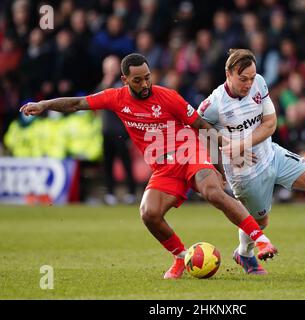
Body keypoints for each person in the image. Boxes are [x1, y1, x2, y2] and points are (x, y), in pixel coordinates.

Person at [20, 53, 278, 279]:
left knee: (213, 192)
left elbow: (202, 126)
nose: (145, 84)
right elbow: (78, 103)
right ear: (124, 80)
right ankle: (179, 257)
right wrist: (44, 105)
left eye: (147, 77)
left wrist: (227, 155)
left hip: (190, 153)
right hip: (164, 168)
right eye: (138, 80)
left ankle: (261, 240)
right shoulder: (115, 98)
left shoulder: (168, 97)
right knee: (148, 213)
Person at [198, 49, 305, 276]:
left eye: (251, 77)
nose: (249, 83)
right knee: (260, 222)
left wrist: (242, 145)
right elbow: (200, 133)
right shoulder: (213, 104)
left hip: (273, 154)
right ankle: (244, 254)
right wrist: (222, 160)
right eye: (243, 79)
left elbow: (270, 124)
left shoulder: (259, 83)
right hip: (244, 173)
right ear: (228, 73)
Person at [96, 55, 137, 205]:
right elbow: (96, 100)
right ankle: (110, 193)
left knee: (126, 163)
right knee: (107, 164)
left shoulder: (122, 84)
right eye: (108, 66)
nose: (110, 69)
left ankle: (132, 192)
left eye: (113, 66)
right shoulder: (103, 84)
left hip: (121, 130)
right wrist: (104, 83)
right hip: (106, 131)